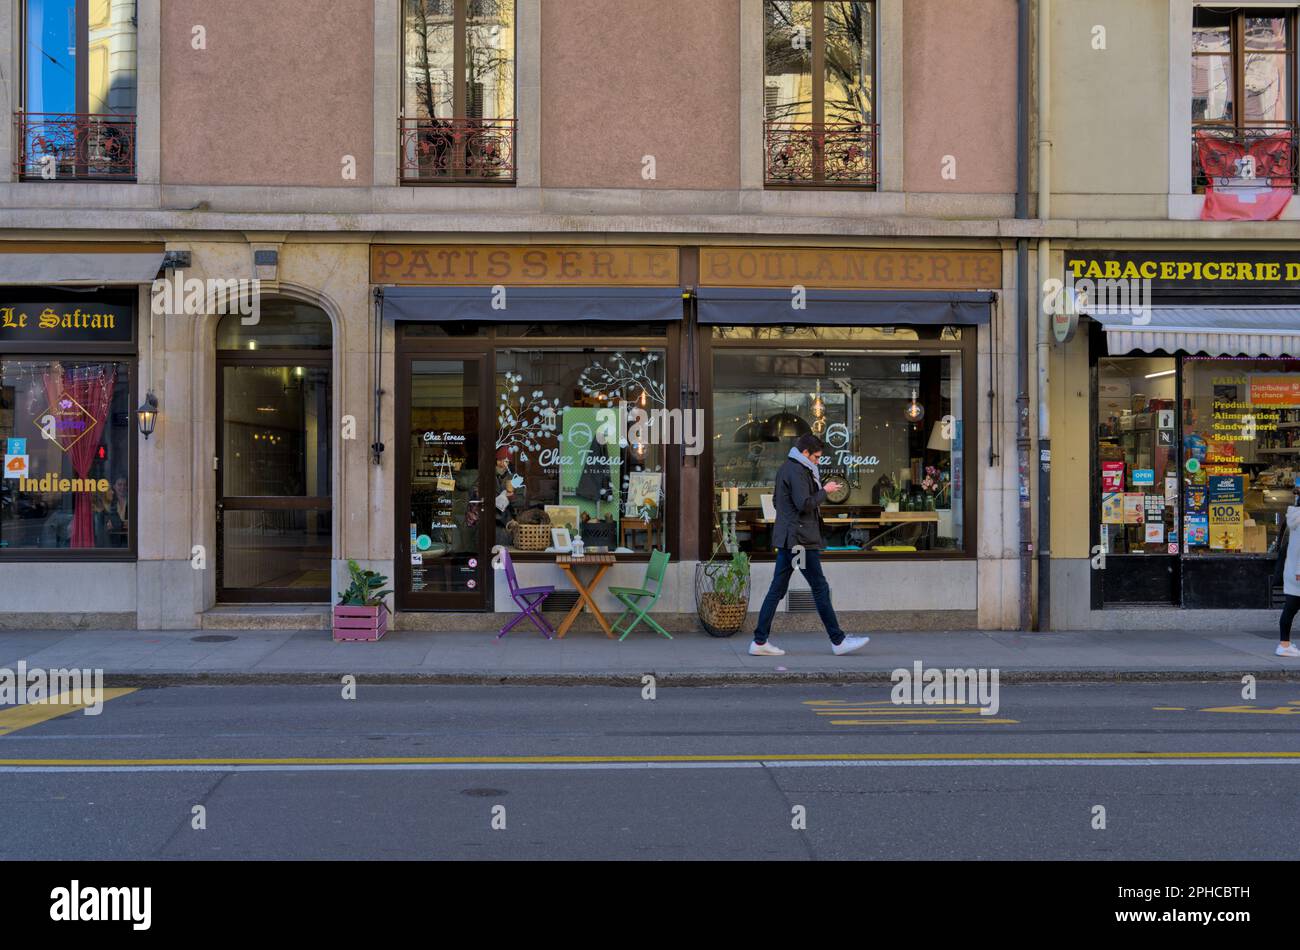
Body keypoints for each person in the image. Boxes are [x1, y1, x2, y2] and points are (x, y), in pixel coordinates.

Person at [749, 433, 870, 657]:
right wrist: (826, 491)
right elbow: (804, 504)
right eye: (816, 457)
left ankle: (759, 641)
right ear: (805, 453)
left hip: (791, 539)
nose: (818, 461)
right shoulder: (797, 470)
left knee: (777, 590)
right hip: (800, 542)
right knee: (819, 588)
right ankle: (838, 640)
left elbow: (778, 501)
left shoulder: (788, 467)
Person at [1274, 493, 1300, 657]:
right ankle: (1284, 645)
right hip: (1298, 573)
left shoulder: (1296, 518)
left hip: (1292, 571)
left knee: (1289, 609)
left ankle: (1284, 644)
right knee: (1290, 609)